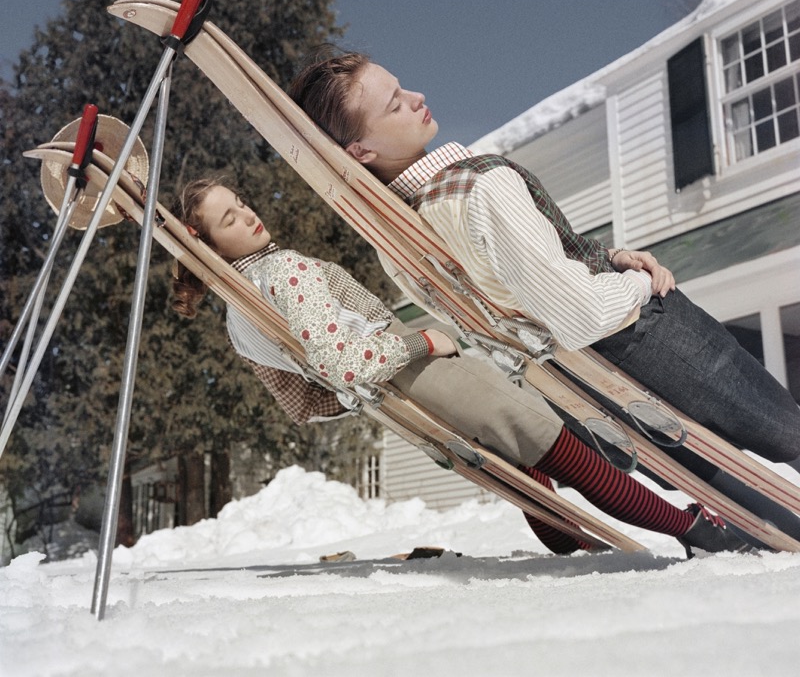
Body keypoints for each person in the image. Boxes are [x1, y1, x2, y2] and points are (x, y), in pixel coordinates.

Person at [288, 48, 800, 538]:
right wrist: (640, 283)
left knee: (716, 481)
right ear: (361, 150)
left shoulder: (397, 239)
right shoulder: (478, 187)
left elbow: (516, 294)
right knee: (782, 431)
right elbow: (582, 313)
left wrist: (608, 259)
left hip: (580, 384)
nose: (418, 97)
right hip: (641, 337)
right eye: (395, 103)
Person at [170, 177, 748, 557]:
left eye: (240, 202)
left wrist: (359, 396)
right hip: (417, 368)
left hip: (397, 398)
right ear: (210, 245)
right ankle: (694, 531)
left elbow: (300, 403)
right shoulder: (285, 271)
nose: (246, 215)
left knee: (523, 461)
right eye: (228, 219)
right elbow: (342, 360)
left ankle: (567, 541)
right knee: (560, 447)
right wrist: (422, 342)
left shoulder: (237, 320)